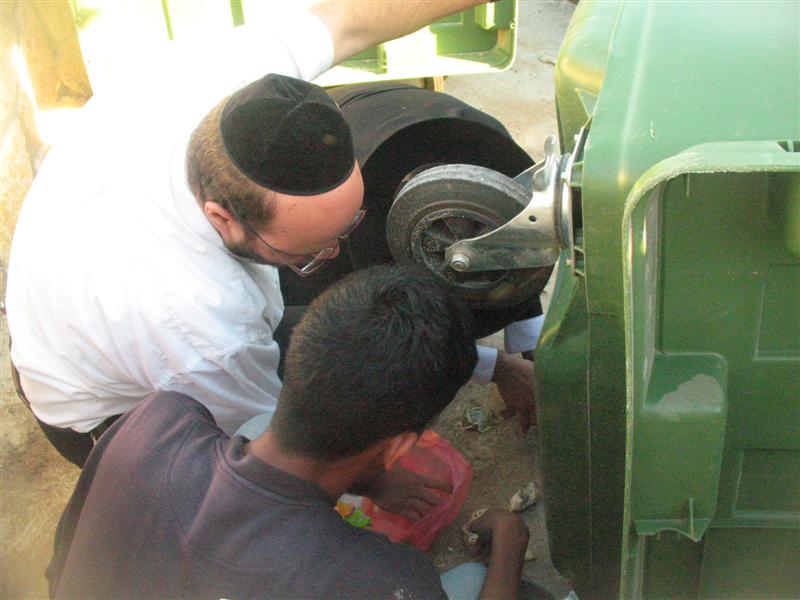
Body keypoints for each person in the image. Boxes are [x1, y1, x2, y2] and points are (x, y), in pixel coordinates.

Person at [6, 0, 536, 469]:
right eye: (308, 254)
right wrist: (376, 483)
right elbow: (277, 459)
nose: (335, 254)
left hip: (87, 303)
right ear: (223, 217)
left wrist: (493, 367)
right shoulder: (203, 325)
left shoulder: (227, 87)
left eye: (348, 226)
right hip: (101, 415)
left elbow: (350, 18)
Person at [47, 265, 530, 600]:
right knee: (471, 580)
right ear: (400, 447)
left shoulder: (156, 422)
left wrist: (371, 479)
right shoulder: (382, 580)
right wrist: (509, 542)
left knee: (256, 427)